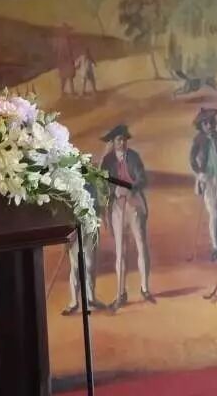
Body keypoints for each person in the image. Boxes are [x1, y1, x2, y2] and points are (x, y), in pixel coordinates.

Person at [99, 124, 154, 309]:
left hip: (134, 204)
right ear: (112, 142)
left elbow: (142, 179)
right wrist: (115, 190)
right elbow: (102, 181)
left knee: (141, 245)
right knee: (120, 251)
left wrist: (129, 188)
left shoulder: (134, 157)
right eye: (118, 140)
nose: (122, 143)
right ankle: (120, 293)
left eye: (124, 139)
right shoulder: (107, 160)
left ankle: (145, 288)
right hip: (117, 207)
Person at [62, 182, 109, 316]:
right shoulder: (68, 184)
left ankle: (91, 298)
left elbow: (97, 204)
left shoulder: (91, 183)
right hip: (74, 230)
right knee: (75, 267)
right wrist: (68, 233)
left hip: (90, 227)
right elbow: (65, 210)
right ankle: (74, 302)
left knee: (90, 265)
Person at [188, 107, 217, 260]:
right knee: (213, 213)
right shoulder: (198, 139)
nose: (209, 125)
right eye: (205, 123)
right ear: (201, 125)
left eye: (211, 122)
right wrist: (199, 173)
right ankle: (216, 246)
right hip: (207, 179)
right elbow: (192, 159)